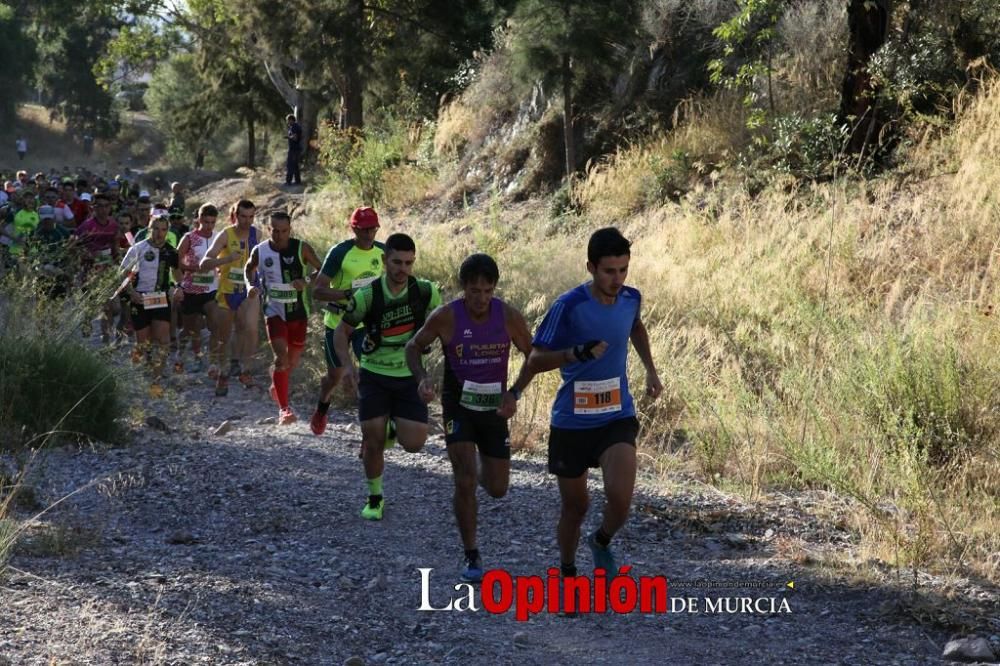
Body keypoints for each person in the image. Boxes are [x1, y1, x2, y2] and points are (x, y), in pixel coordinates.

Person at [527, 227, 663, 580]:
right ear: (590, 267)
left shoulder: (632, 298)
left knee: (620, 499)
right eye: (608, 271)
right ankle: (568, 572)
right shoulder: (569, 305)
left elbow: (636, 328)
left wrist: (650, 370)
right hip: (572, 420)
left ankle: (601, 541)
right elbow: (536, 358)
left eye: (623, 270)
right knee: (576, 507)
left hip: (616, 415)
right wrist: (574, 354)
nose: (617, 279)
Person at [405, 253, 536, 582]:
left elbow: (533, 355)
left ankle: (476, 467)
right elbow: (413, 346)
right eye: (474, 291)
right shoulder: (447, 316)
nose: (481, 299)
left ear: (494, 289)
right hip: (458, 405)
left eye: (487, 291)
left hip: (494, 409)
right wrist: (421, 377)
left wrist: (515, 393)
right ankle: (472, 554)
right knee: (464, 480)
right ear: (463, 288)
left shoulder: (507, 317)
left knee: (497, 488)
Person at [334, 233, 441, 521]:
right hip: (374, 373)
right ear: (384, 261)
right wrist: (347, 366)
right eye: (396, 262)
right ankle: (375, 497)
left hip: (410, 376)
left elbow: (446, 329)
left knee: (416, 443)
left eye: (408, 263)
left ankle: (391, 427)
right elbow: (341, 332)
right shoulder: (367, 295)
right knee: (372, 441)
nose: (402, 268)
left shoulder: (426, 292)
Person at [309, 206, 385, 435]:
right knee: (336, 376)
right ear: (353, 228)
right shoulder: (340, 252)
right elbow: (318, 291)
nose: (368, 234)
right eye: (363, 229)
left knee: (370, 376)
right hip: (337, 321)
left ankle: (369, 435)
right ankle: (322, 408)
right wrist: (347, 294)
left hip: (364, 323)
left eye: (372, 229)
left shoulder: (383, 252)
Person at [245, 210, 322, 424]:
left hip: (299, 313)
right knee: (282, 359)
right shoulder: (260, 251)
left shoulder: (301, 248)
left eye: (284, 231)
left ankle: (276, 385)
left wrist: (305, 280)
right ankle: (284, 409)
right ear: (269, 229)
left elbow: (323, 269)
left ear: (290, 230)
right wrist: (251, 285)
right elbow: (248, 269)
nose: (279, 235)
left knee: (292, 361)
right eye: (275, 231)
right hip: (274, 311)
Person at [199, 199, 261, 395]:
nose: (247, 221)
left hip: (249, 289)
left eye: (251, 217)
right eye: (243, 216)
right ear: (235, 215)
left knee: (249, 328)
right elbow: (204, 263)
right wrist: (227, 259)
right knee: (224, 336)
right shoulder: (226, 234)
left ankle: (246, 370)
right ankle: (223, 374)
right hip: (227, 291)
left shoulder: (256, 234)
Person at [120, 214, 180, 396]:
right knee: (143, 344)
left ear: (167, 231)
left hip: (160, 298)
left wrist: (178, 287)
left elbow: (178, 273)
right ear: (149, 229)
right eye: (156, 229)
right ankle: (133, 375)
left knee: (163, 341)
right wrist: (132, 293)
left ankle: (156, 380)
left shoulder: (171, 251)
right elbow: (122, 272)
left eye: (163, 230)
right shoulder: (138, 248)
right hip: (140, 299)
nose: (159, 233)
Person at [176, 203, 221, 374]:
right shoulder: (189, 238)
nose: (209, 226)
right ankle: (182, 354)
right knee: (190, 329)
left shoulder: (218, 237)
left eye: (212, 222)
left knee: (215, 325)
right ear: (199, 219)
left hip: (212, 289)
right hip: (191, 290)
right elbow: (176, 262)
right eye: (206, 222)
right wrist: (192, 269)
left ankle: (212, 362)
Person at [73, 191, 122, 343]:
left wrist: (117, 259)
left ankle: (105, 333)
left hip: (107, 269)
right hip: (89, 270)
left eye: (106, 206)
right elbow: (73, 246)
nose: (103, 209)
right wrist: (87, 254)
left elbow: (115, 244)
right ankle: (95, 327)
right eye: (99, 206)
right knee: (91, 302)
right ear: (93, 208)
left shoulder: (113, 224)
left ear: (110, 208)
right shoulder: (87, 225)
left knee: (113, 308)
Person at [285, 114, 303, 186]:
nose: (287, 122)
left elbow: (295, 138)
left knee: (290, 165)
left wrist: (288, 137)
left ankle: (288, 181)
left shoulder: (294, 127)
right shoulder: (294, 126)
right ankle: (297, 181)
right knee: (295, 165)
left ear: (291, 120)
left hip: (294, 149)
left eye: (288, 120)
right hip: (296, 149)